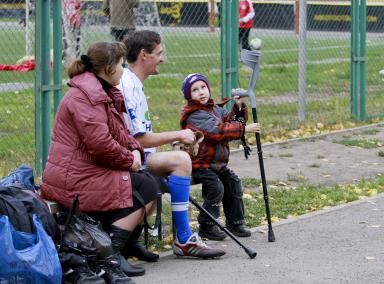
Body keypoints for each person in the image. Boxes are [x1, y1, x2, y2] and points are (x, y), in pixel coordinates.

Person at [40, 41, 159, 283]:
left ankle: (116, 247)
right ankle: (108, 253)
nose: (124, 70)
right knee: (146, 186)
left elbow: (122, 133)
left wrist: (135, 150)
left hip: (90, 169)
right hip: (73, 177)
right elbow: (101, 144)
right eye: (121, 65)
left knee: (151, 182)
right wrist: (130, 160)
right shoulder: (86, 97)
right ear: (107, 69)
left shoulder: (102, 90)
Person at [119, 30, 226, 259]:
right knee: (181, 160)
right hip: (131, 159)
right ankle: (184, 238)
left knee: (180, 160)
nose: (163, 58)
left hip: (142, 156)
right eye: (159, 53)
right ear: (143, 55)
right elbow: (137, 139)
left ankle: (180, 237)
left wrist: (179, 138)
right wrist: (178, 135)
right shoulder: (127, 85)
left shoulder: (134, 82)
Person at [180, 73, 261, 241]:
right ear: (189, 96)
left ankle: (235, 223)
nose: (201, 92)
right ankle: (207, 226)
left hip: (217, 163)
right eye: (195, 90)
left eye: (203, 87)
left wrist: (238, 108)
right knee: (216, 188)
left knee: (233, 183)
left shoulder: (215, 109)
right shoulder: (194, 115)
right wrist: (244, 129)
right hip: (200, 164)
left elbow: (232, 121)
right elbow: (218, 131)